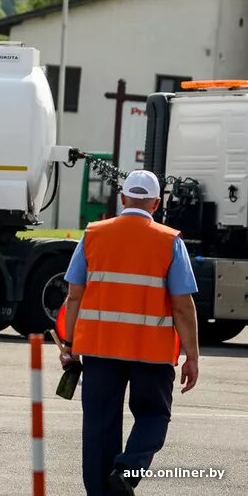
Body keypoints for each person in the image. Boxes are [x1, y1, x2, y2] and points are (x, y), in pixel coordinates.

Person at [59, 169, 200, 496]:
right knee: (153, 415)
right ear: (156, 203)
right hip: (152, 352)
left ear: (123, 199)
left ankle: (100, 491)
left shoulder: (93, 234)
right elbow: (182, 306)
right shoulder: (169, 241)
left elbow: (74, 294)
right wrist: (192, 355)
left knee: (99, 425)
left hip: (99, 349)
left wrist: (69, 343)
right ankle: (127, 470)